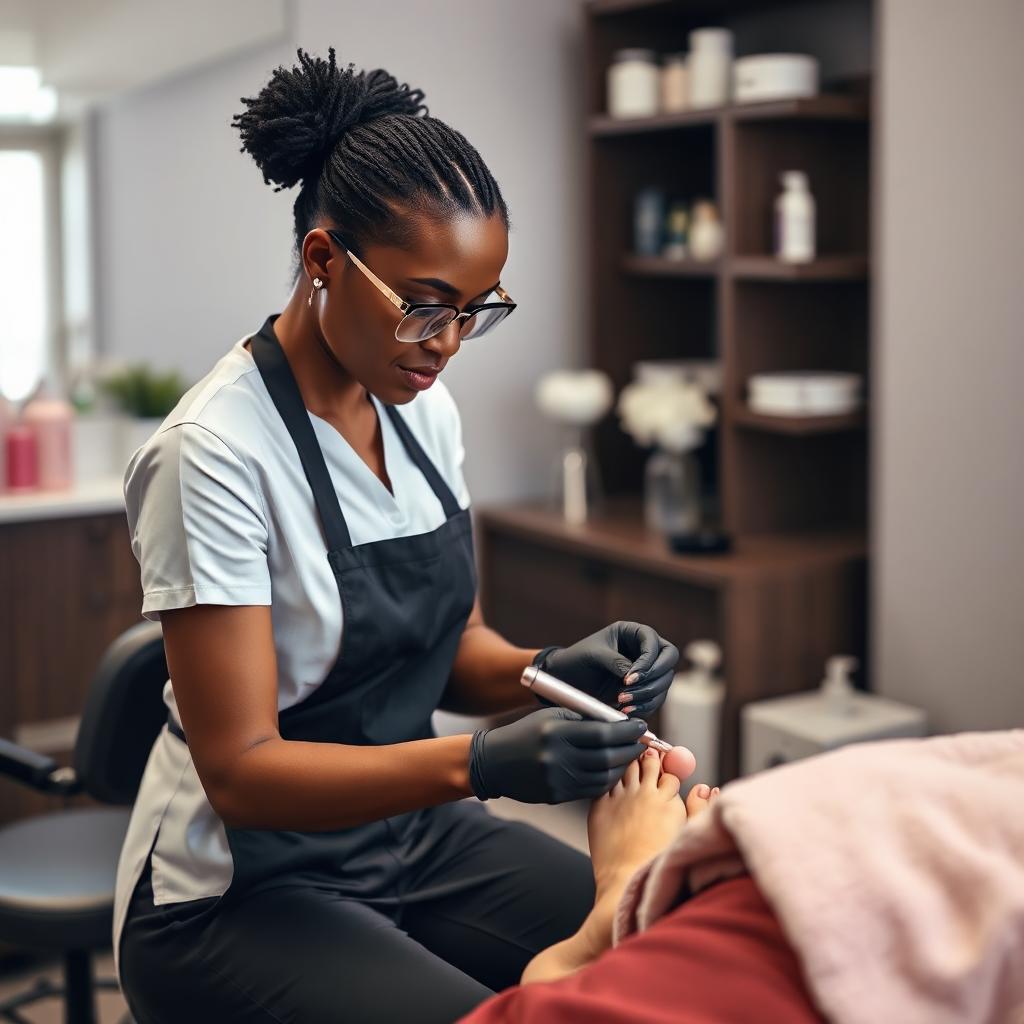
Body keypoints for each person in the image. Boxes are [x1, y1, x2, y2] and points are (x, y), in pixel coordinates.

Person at [113, 49, 682, 1024]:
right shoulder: (214, 453)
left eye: (475, 311)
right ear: (325, 261)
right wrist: (484, 764)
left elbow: (449, 647)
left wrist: (552, 670)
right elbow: (243, 770)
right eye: (425, 305)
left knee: (667, 934)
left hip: (410, 831)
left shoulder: (423, 412)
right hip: (238, 892)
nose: (448, 343)